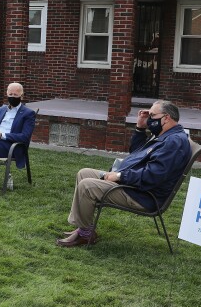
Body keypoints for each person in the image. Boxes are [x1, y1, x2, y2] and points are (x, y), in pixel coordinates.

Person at [56, 100, 191, 247]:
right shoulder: (164, 135)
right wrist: (140, 128)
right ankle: (85, 228)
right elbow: (136, 152)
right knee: (84, 173)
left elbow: (153, 175)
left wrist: (120, 176)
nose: (150, 119)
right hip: (135, 185)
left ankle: (85, 234)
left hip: (143, 195)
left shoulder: (173, 142)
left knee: (87, 186)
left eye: (152, 115)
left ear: (166, 118)